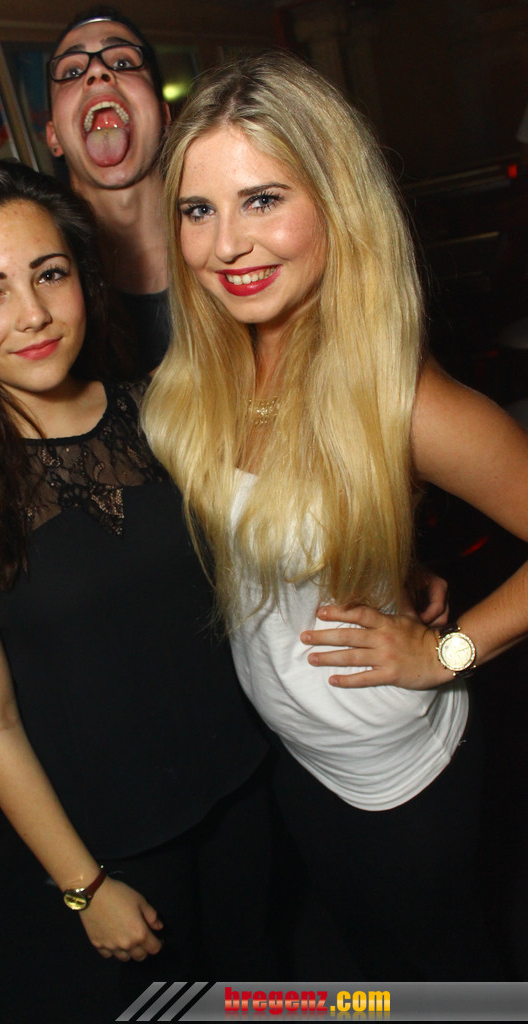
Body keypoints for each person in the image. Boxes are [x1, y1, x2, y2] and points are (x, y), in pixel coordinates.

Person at [142, 51, 528, 980]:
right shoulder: (211, 368)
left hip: (396, 780)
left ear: (336, 202)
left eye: (262, 199)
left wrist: (447, 653)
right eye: (198, 210)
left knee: (442, 983)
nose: (226, 245)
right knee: (364, 966)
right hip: (292, 755)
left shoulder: (404, 399)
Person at [0, 161, 275, 1012]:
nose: (32, 314)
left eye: (49, 274)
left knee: (266, 989)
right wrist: (82, 887)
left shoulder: (159, 409)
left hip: (249, 784)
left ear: (83, 279)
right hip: (118, 846)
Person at [46, 6, 172, 371]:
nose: (97, 72)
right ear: (53, 136)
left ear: (165, 119)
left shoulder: (229, 247)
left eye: (122, 63)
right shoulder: (42, 292)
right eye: (72, 72)